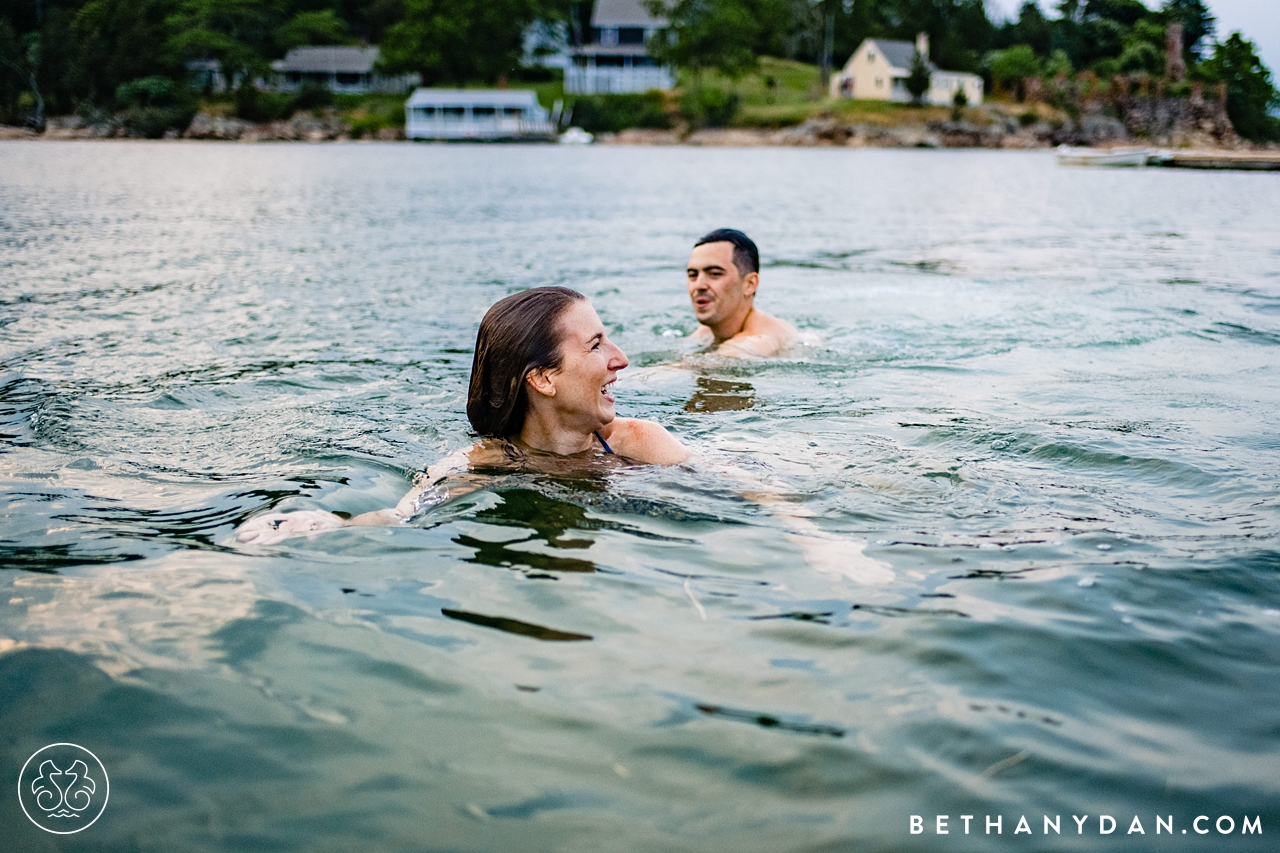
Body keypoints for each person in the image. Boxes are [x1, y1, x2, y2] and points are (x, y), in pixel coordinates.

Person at [237, 287, 688, 545]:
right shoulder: (481, 464)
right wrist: (323, 524)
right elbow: (402, 516)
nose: (621, 358)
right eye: (596, 345)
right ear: (544, 379)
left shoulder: (640, 443)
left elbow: (741, 487)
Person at [686, 229, 796, 357]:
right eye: (693, 275)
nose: (699, 285)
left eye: (715, 274)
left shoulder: (759, 339)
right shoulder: (708, 332)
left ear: (750, 284)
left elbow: (726, 359)